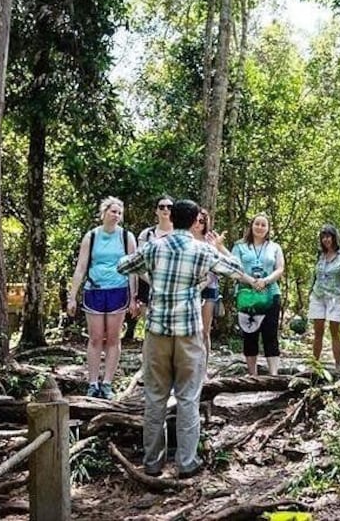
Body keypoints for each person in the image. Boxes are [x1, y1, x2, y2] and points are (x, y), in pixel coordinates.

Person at [117, 199, 257, 479]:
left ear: (172, 218)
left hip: (157, 333)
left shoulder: (155, 246)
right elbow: (238, 270)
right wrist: (218, 248)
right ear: (195, 221)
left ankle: (153, 463)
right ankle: (186, 462)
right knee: (188, 398)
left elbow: (123, 266)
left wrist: (152, 275)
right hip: (189, 334)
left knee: (155, 398)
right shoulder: (202, 250)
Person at [67, 196, 138, 400]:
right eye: (113, 211)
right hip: (94, 290)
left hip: (118, 289)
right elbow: (81, 267)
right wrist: (72, 297)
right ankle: (92, 382)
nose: (116, 215)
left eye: (119, 212)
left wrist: (133, 297)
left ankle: (107, 382)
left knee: (114, 338)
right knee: (96, 338)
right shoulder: (92, 236)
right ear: (104, 212)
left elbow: (133, 269)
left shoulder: (127, 237)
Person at [231, 213, 285, 376]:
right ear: (251, 225)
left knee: (270, 333)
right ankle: (252, 375)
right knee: (249, 334)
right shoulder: (239, 246)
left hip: (270, 294)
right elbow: (233, 268)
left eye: (263, 225)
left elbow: (280, 268)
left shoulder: (274, 247)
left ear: (268, 228)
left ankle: (273, 375)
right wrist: (250, 281)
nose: (260, 227)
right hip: (247, 295)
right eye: (257, 224)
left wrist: (265, 281)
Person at [124, 195, 175, 341]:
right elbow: (138, 262)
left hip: (173, 287)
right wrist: (152, 281)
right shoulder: (147, 234)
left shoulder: (181, 233)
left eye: (169, 207)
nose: (165, 210)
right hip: (148, 286)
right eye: (161, 207)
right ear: (156, 211)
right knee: (151, 329)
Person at [308, 224, 340, 371]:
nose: (326, 240)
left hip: (336, 296)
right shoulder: (320, 254)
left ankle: (337, 366)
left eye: (328, 236)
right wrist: (309, 292)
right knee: (318, 331)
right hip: (318, 295)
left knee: (335, 331)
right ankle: (314, 365)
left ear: (334, 237)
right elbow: (314, 275)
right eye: (323, 237)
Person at [191, 208, 218, 359]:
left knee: (204, 331)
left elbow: (218, 263)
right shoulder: (184, 238)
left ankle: (204, 368)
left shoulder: (210, 239)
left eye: (202, 221)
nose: (198, 224)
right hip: (189, 287)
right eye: (195, 220)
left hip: (209, 286)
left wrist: (214, 246)